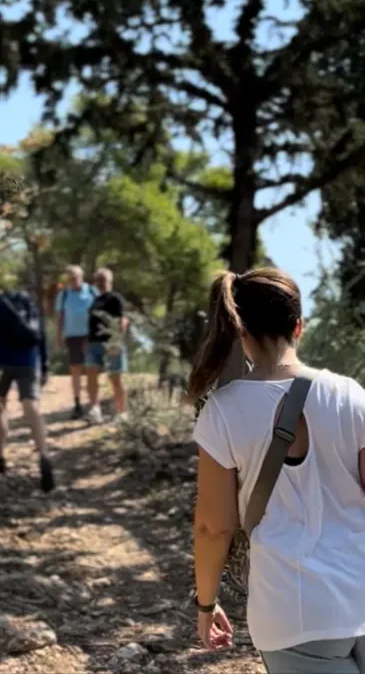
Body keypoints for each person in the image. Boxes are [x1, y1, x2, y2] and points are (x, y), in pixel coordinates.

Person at [190, 267, 365, 673]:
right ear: (299, 326)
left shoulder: (223, 411)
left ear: (240, 332)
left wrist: (206, 602)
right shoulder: (351, 395)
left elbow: (214, 527)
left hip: (294, 610)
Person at [0, 285, 55, 493]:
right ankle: (44, 454)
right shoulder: (31, 306)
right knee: (31, 406)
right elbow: (41, 336)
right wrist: (45, 365)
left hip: (2, 360)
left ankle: (0, 455)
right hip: (28, 361)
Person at [85, 267, 129, 424]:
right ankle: (94, 410)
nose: (100, 283)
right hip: (93, 343)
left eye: (103, 279)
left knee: (115, 377)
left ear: (110, 281)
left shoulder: (115, 298)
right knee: (91, 375)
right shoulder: (95, 300)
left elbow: (122, 321)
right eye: (98, 280)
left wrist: (116, 341)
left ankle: (121, 413)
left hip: (111, 343)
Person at [55, 266, 97, 419]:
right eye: (70, 278)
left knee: (92, 369)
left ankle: (93, 404)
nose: (73, 280)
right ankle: (77, 404)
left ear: (82, 276)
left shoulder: (92, 291)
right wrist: (58, 337)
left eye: (75, 277)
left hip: (90, 335)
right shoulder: (64, 294)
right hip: (72, 336)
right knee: (75, 371)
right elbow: (59, 317)